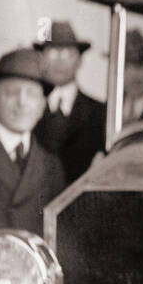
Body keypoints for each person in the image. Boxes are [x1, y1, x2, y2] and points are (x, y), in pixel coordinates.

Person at [0, 47, 65, 232]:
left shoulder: (52, 167)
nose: (22, 102)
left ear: (42, 106)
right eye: (12, 92)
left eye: (32, 94)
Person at [34, 21, 105, 184]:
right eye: (52, 53)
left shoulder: (101, 112)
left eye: (68, 54)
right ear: (41, 59)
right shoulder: (25, 110)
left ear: (80, 60)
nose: (60, 61)